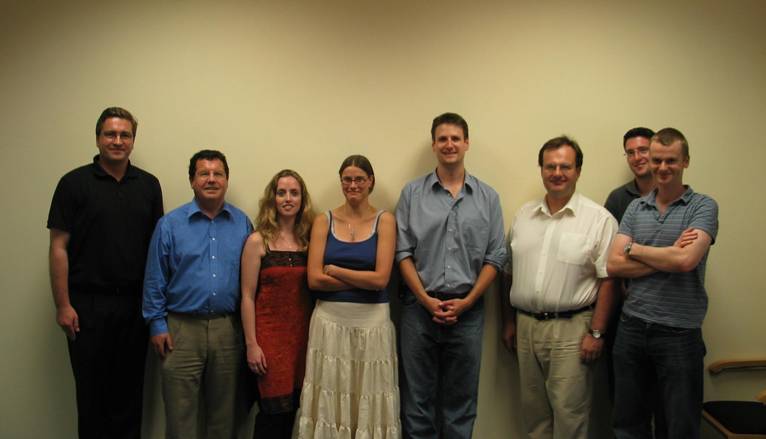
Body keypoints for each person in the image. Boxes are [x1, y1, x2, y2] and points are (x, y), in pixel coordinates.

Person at [47, 106, 163, 439]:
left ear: (133, 141)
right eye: (110, 134)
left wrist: (155, 310)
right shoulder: (73, 184)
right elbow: (58, 248)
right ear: (98, 138)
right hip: (86, 308)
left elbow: (157, 251)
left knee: (130, 397)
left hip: (134, 308)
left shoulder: (149, 186)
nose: (117, 141)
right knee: (91, 398)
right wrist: (63, 305)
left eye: (125, 135)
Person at [396, 113, 506, 439]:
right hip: (418, 310)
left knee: (461, 404)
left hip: (468, 312)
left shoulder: (488, 198)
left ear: (466, 143)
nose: (449, 144)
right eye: (442, 139)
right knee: (417, 402)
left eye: (455, 138)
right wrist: (425, 300)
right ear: (433, 145)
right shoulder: (412, 194)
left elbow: (495, 256)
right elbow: (402, 252)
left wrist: (468, 301)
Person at [500, 136, 617, 439]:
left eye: (565, 166)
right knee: (534, 415)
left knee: (570, 415)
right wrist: (509, 321)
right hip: (526, 327)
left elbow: (609, 280)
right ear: (541, 169)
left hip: (573, 330)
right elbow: (508, 273)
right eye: (550, 166)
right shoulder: (524, 216)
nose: (557, 173)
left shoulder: (598, 219)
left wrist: (597, 333)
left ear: (578, 171)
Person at [607, 128, 718, 439]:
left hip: (678, 333)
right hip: (631, 327)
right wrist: (669, 253)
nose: (663, 167)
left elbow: (685, 261)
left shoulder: (703, 207)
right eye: (657, 160)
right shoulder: (634, 207)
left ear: (686, 161)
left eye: (671, 160)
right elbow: (613, 264)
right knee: (628, 423)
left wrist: (634, 248)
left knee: (679, 426)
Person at [143, 149, 253, 439]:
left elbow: (252, 281)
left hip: (228, 330)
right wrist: (157, 324)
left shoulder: (242, 224)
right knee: (180, 416)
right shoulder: (170, 224)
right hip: (180, 330)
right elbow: (155, 278)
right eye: (204, 174)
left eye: (218, 174)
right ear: (192, 180)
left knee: (224, 416)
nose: (211, 179)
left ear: (227, 180)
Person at [295, 155, 400, 438]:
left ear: (370, 182)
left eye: (359, 179)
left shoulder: (385, 221)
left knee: (368, 395)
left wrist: (337, 270)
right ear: (341, 182)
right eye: (347, 179)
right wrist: (362, 280)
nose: (353, 185)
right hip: (329, 322)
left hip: (372, 324)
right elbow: (314, 279)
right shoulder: (323, 221)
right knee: (331, 395)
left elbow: (381, 280)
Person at [240, 169, 315, 438]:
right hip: (269, 341)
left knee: (295, 413)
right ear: (272, 198)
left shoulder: (310, 242)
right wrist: (252, 345)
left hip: (303, 340)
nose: (288, 198)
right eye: (281, 193)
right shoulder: (258, 241)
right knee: (272, 415)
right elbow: (247, 296)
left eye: (294, 193)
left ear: (302, 199)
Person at [605, 127, 656, 223]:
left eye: (643, 150)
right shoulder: (617, 198)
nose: (637, 158)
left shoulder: (672, 194)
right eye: (630, 153)